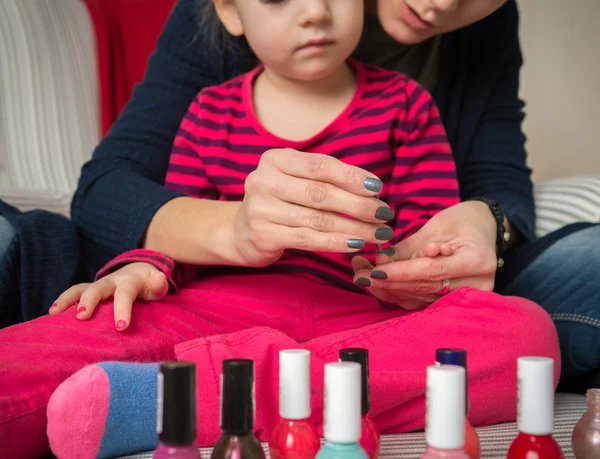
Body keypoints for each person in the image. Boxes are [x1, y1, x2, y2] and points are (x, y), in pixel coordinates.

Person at [0, 0, 561, 458]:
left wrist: (415, 264)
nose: (315, 13)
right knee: (67, 333)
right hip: (214, 308)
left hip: (363, 321)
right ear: (231, 13)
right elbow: (175, 226)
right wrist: (142, 267)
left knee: (525, 332)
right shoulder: (206, 113)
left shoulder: (408, 107)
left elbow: (427, 231)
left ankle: (201, 393)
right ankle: (276, 387)